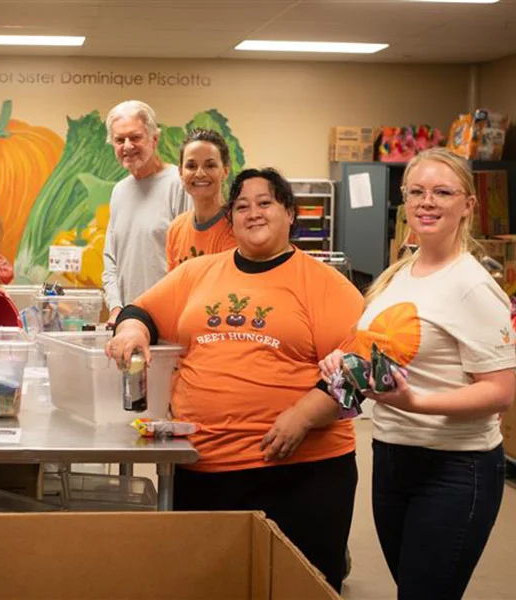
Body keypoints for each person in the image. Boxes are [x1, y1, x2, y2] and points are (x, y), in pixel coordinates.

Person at [106, 167, 363, 593]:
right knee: (210, 586)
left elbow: (362, 371)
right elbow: (141, 310)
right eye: (241, 206)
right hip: (204, 467)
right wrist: (132, 329)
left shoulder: (324, 284)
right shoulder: (199, 274)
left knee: (298, 587)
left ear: (290, 214)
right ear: (231, 220)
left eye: (265, 203)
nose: (253, 213)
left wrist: (303, 416)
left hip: (300, 472)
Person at [320, 147, 515, 600]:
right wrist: (344, 363)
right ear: (404, 200)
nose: (427, 202)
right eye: (417, 192)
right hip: (391, 457)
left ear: (468, 204)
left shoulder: (473, 286)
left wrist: (418, 404)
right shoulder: (400, 274)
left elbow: (501, 391)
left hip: (455, 467)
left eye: (443, 192)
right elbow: (385, 352)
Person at [102, 100, 190, 322]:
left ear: (154, 138)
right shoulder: (119, 191)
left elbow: (188, 262)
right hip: (127, 319)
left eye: (135, 137)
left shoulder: (178, 184)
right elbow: (110, 259)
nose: (127, 146)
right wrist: (115, 308)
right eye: (119, 140)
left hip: (169, 318)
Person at [166, 128, 235, 271]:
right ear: (180, 172)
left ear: (225, 172)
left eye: (210, 165)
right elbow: (172, 288)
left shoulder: (236, 228)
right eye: (191, 166)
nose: (199, 173)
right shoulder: (176, 229)